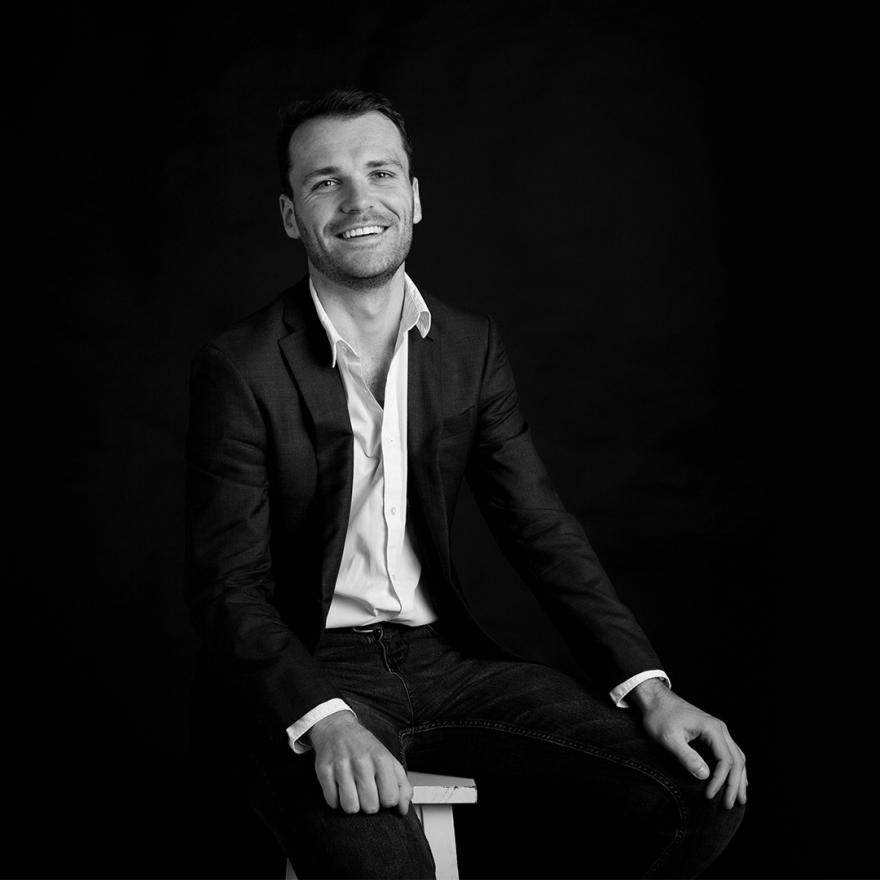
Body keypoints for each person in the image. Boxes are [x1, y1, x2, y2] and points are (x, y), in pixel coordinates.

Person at [185, 88, 746, 879]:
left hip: (446, 662)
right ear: (290, 216)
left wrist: (646, 685)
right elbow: (226, 586)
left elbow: (539, 527)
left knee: (699, 792)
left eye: (380, 173)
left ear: (413, 198)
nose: (358, 201)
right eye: (325, 182)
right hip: (309, 666)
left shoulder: (468, 347)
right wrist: (321, 717)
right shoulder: (240, 368)